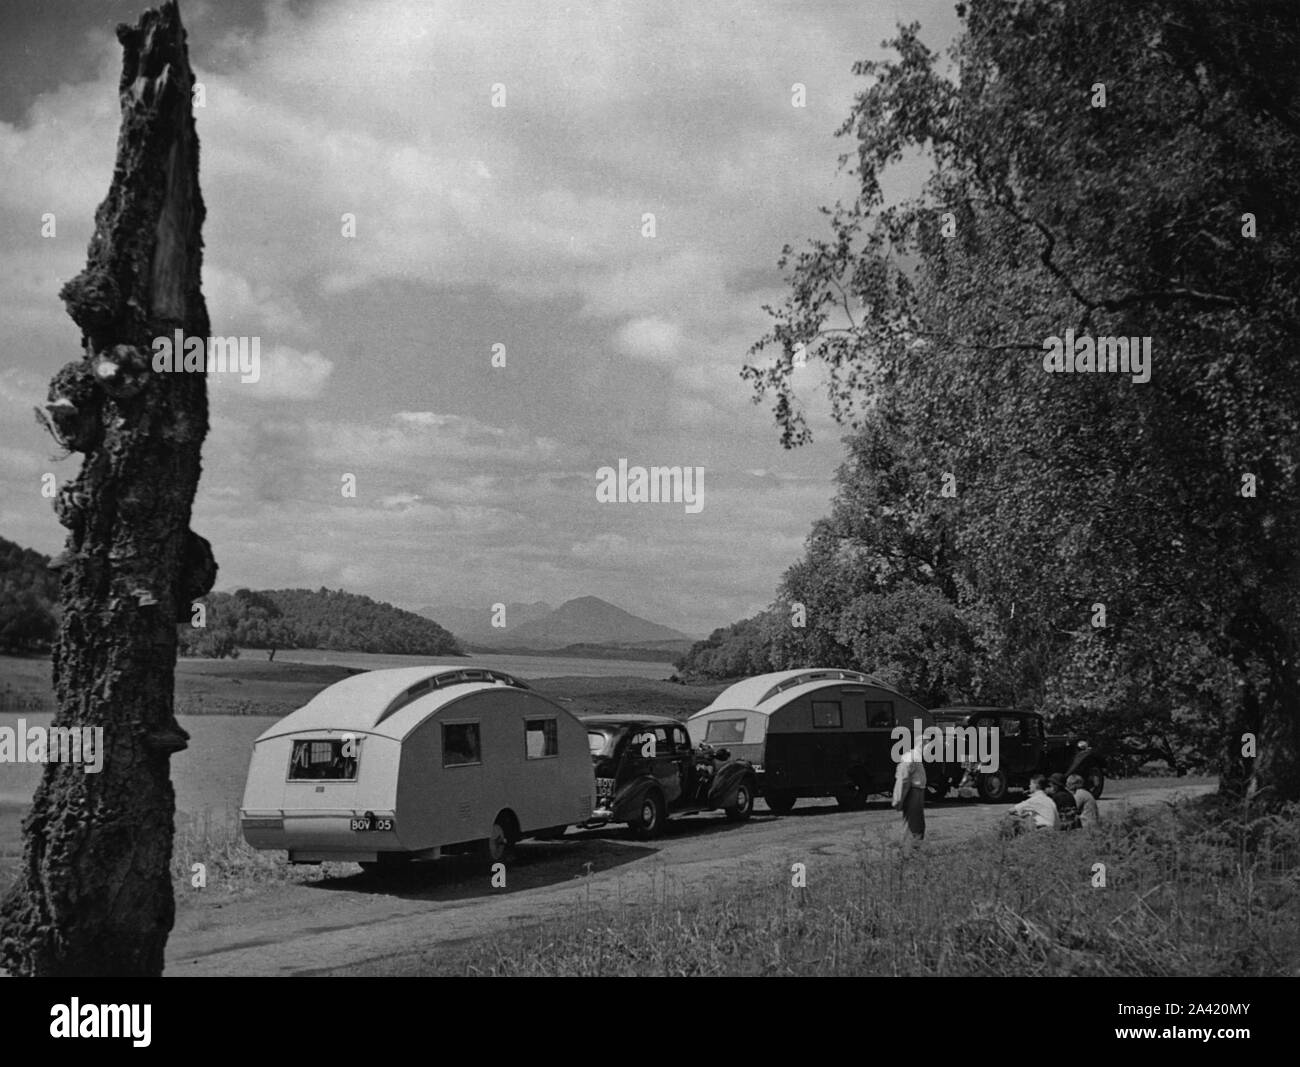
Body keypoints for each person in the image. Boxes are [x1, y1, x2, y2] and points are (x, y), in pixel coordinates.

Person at [892, 743, 926, 845]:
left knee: (917, 824)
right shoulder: (911, 757)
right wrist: (899, 799)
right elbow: (903, 780)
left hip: (917, 792)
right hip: (913, 792)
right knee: (913, 825)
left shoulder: (916, 757)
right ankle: (908, 852)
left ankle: (912, 851)